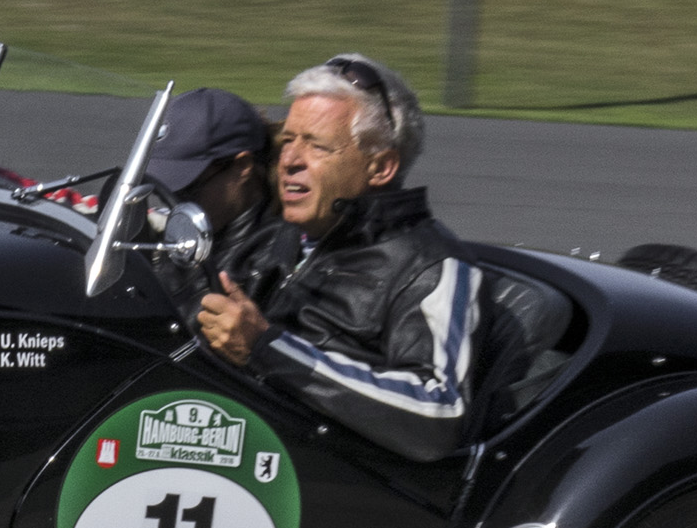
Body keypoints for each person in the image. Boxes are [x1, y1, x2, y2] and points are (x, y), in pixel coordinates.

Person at [191, 54, 500, 461]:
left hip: (334, 473)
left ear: (381, 167)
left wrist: (268, 348)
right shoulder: (280, 236)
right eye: (288, 140)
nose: (290, 161)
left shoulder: (431, 265)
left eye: (316, 145)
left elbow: (440, 413)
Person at [139, 85, 274, 255]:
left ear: (242, 167)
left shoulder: (277, 256)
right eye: (165, 193)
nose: (176, 207)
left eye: (189, 190)